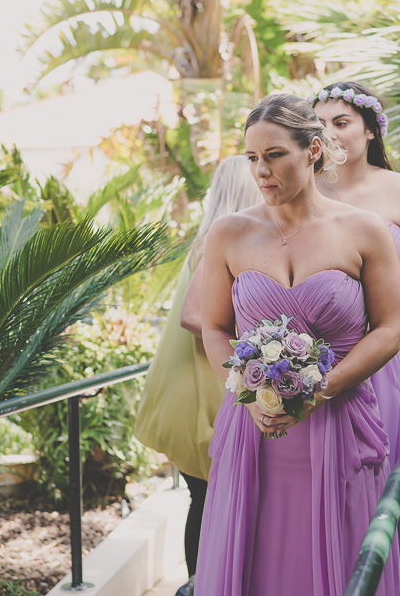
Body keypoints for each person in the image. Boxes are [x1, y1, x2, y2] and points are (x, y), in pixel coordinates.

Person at [194, 94, 400, 596]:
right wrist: (251, 394)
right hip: (254, 428)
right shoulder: (228, 234)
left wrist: (318, 390)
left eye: (274, 156)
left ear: (313, 151)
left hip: (339, 422)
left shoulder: (364, 230)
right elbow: (214, 329)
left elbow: (389, 329)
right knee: (257, 558)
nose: (261, 171)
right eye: (252, 158)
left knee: (341, 561)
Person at [310, 81, 400, 570]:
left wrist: (381, 317)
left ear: (370, 129)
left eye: (341, 122)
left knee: (382, 461)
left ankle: (388, 570)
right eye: (319, 125)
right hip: (320, 351)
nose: (330, 134)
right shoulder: (309, 191)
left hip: (383, 353)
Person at [133, 155, 262, 596]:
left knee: (207, 501)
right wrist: (256, 338)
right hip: (198, 395)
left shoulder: (219, 238)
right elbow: (193, 315)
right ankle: (198, 587)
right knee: (207, 501)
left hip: (194, 389)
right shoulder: (217, 240)